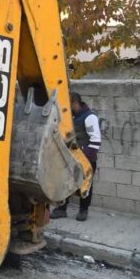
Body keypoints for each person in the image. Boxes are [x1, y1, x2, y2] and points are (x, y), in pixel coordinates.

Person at [50, 92, 101, 221]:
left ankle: (83, 211)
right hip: (70, 158)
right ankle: (62, 209)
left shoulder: (90, 117)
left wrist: (85, 159)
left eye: (69, 104)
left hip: (86, 160)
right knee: (66, 182)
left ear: (75, 103)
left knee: (86, 185)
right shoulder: (71, 117)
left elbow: (96, 141)